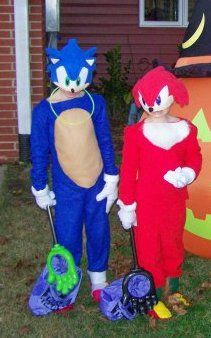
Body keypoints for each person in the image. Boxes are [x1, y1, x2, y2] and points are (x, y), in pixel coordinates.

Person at [29, 39, 119, 315]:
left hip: (96, 181)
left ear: (88, 73)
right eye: (66, 78)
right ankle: (66, 282)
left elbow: (104, 140)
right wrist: (40, 186)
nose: (71, 85)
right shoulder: (45, 111)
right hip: (66, 185)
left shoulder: (95, 103)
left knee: (98, 228)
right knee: (67, 232)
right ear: (54, 72)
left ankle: (98, 278)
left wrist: (111, 176)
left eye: (77, 78)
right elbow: (40, 151)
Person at [117, 66, 202, 319]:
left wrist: (187, 174)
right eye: (147, 101)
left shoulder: (185, 130)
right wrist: (127, 204)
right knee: (148, 246)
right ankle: (152, 292)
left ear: (172, 96)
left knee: (173, 241)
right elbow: (129, 169)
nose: (152, 107)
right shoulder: (136, 134)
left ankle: (172, 288)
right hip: (146, 202)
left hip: (174, 201)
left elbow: (194, 158)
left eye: (157, 100)